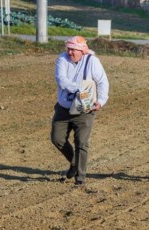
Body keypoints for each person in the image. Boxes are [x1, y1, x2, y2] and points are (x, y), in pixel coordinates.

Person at [51, 36, 109, 186]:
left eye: (73, 50)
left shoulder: (92, 62)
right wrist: (80, 90)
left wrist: (101, 101)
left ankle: (80, 177)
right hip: (64, 108)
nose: (70, 52)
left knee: (81, 142)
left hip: (85, 109)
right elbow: (61, 80)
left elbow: (102, 81)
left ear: (82, 50)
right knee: (57, 138)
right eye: (68, 49)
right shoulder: (62, 60)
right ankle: (74, 163)